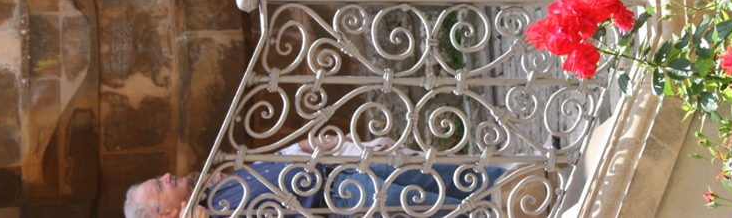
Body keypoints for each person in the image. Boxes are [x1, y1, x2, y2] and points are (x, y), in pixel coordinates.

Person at [124, 155, 505, 218]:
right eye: (159, 185)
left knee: (448, 175)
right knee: (450, 211)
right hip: (344, 202)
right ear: (165, 215)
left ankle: (524, 183)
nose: (167, 176)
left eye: (159, 177)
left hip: (341, 172)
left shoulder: (211, 185)